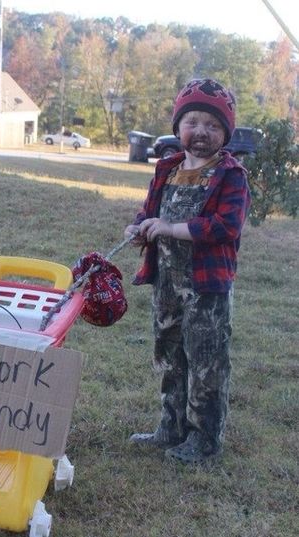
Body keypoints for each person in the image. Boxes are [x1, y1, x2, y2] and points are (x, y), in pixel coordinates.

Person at [124, 78, 251, 464]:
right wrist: (138, 228)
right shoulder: (167, 168)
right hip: (167, 284)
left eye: (213, 125)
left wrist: (169, 228)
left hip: (206, 288)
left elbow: (224, 227)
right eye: (193, 121)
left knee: (205, 362)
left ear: (225, 133)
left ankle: (204, 439)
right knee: (171, 355)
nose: (201, 132)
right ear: (178, 126)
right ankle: (171, 426)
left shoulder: (231, 176)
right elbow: (149, 212)